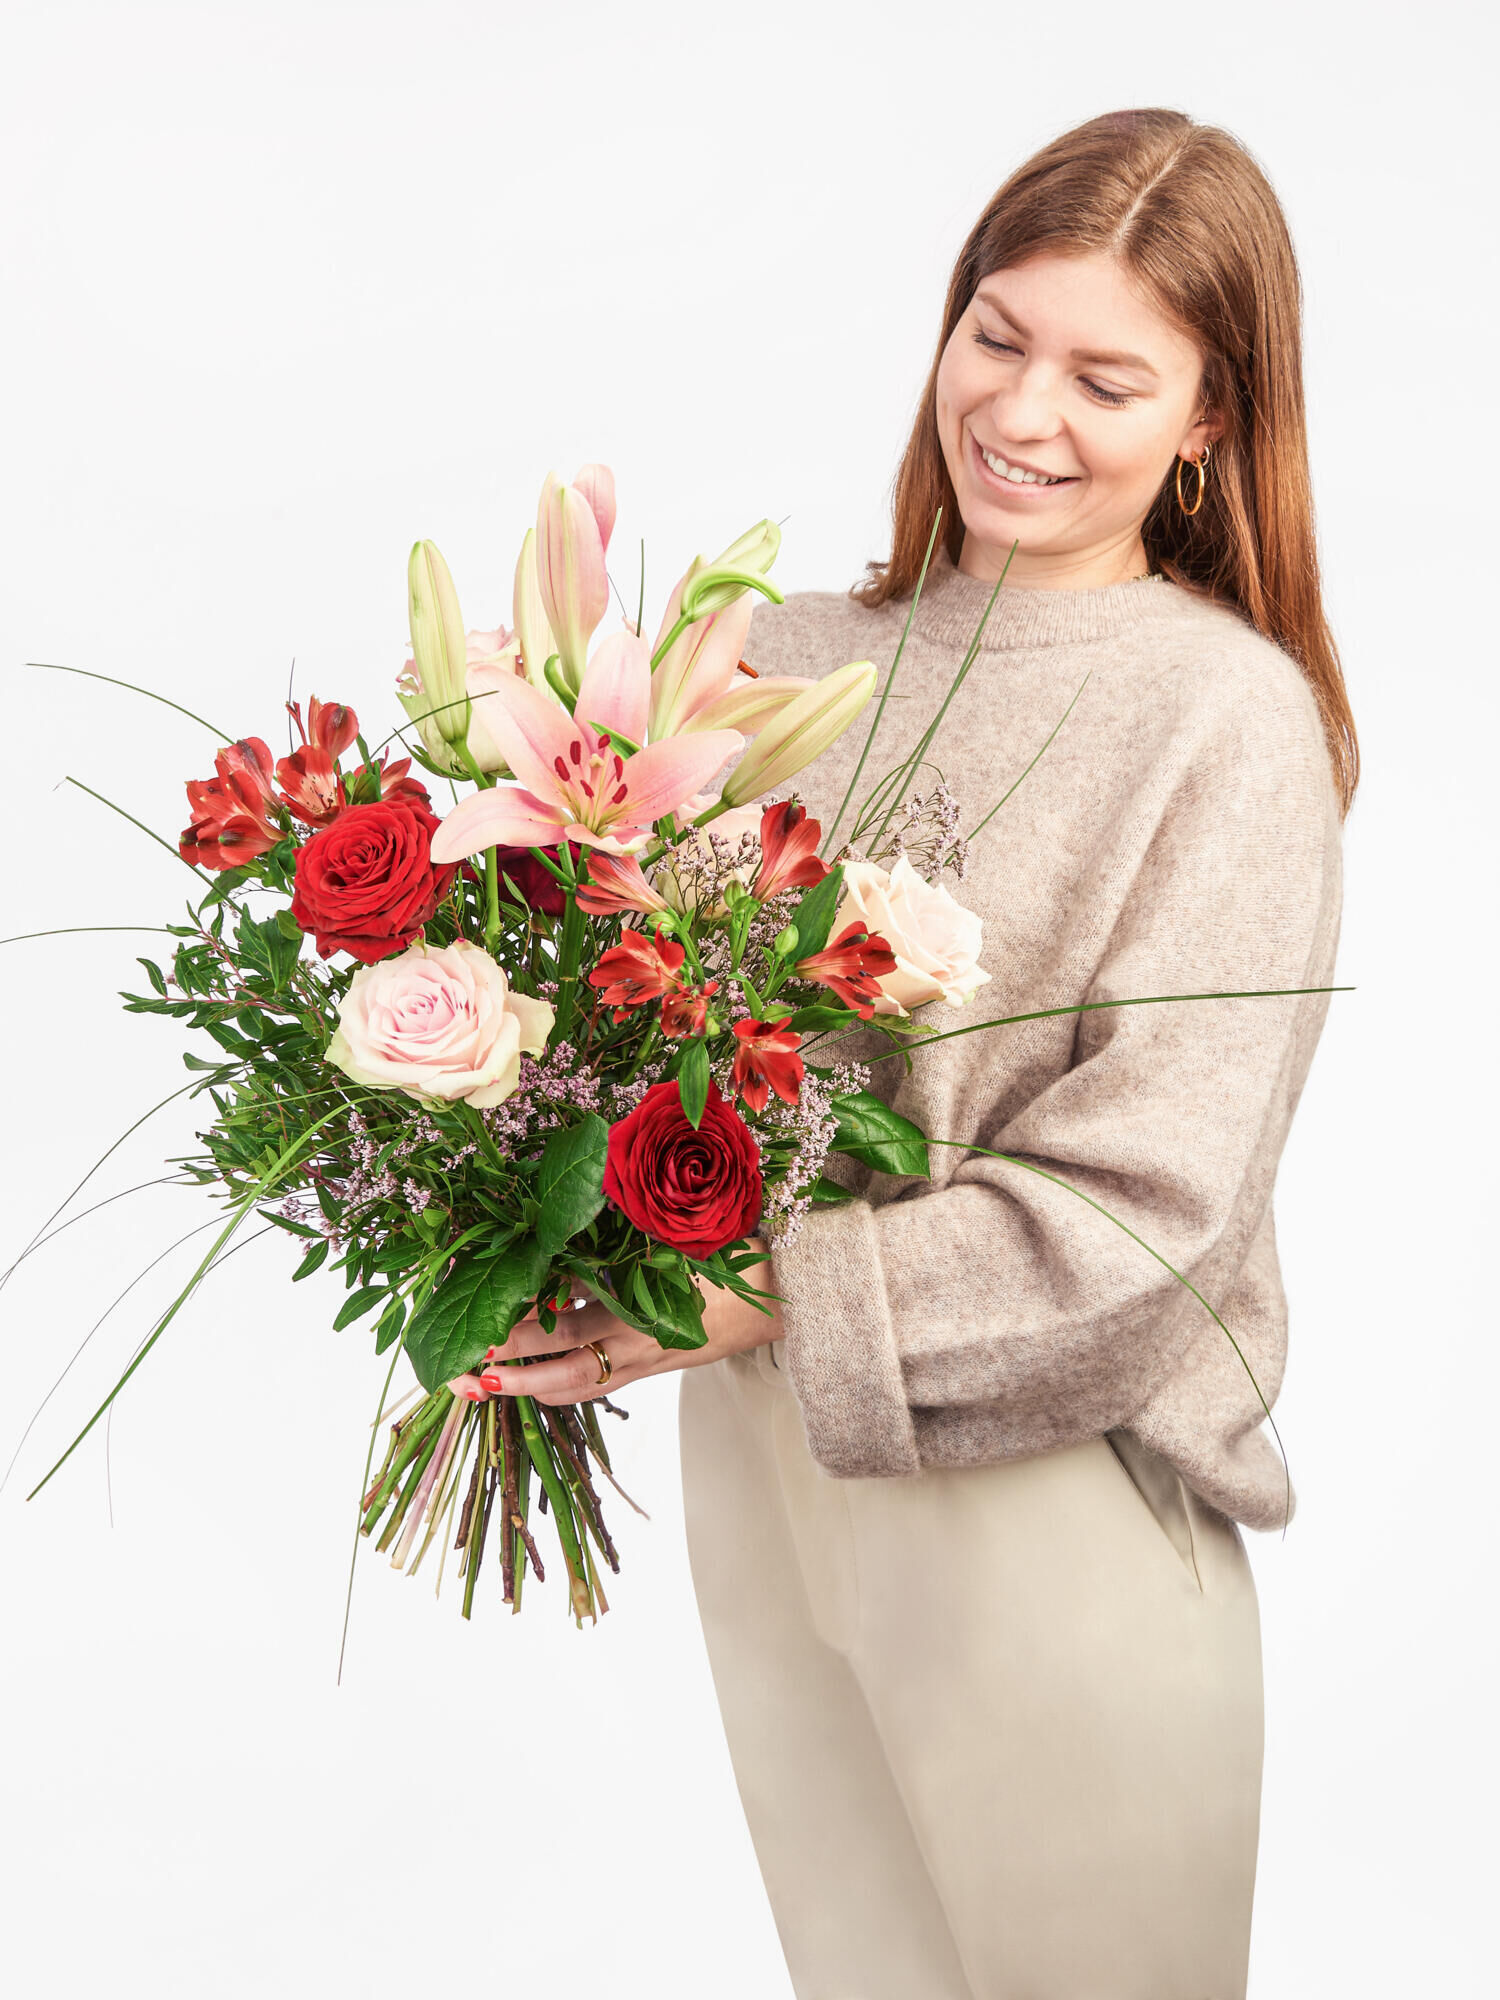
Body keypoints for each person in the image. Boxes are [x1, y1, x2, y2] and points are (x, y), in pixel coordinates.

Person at [481, 106, 1355, 1999]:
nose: (1025, 412)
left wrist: (743, 1292)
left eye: (1109, 377)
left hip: (1052, 1492)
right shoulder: (772, 658)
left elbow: (1155, 1208)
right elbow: (617, 1026)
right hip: (773, 1472)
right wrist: (501, 1182)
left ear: (1212, 423)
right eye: (997, 334)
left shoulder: (1226, 718)